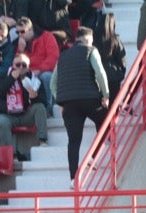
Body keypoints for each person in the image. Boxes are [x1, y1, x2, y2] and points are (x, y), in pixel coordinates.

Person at [53, 27, 109, 179]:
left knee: (73, 141)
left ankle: (73, 178)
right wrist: (106, 95)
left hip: (69, 103)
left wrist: (61, 102)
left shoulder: (63, 56)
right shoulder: (91, 50)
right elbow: (100, 73)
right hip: (90, 99)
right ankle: (94, 155)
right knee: (106, 122)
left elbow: (53, 83)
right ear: (87, 40)